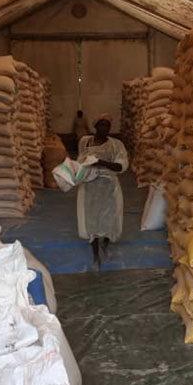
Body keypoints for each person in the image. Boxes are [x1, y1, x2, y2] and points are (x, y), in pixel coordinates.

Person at [77, 114, 129, 269]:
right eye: (101, 125)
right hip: (89, 186)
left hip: (109, 186)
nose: (104, 128)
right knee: (91, 219)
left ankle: (105, 243)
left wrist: (100, 162)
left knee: (109, 218)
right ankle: (95, 255)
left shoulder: (116, 145)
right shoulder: (85, 142)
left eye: (107, 126)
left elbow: (121, 166)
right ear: (95, 126)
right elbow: (80, 162)